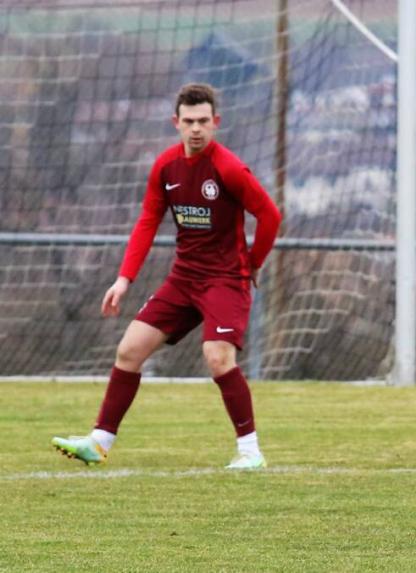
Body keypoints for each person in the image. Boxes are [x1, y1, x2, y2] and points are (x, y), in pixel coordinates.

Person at [51, 83, 282, 470]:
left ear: (216, 122)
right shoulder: (165, 167)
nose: (196, 128)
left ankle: (250, 451)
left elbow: (270, 216)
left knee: (217, 357)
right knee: (129, 349)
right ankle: (99, 441)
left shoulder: (228, 168)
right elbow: (147, 221)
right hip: (184, 279)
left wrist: (253, 262)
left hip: (225, 280)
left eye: (203, 121)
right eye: (188, 121)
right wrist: (124, 279)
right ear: (175, 122)